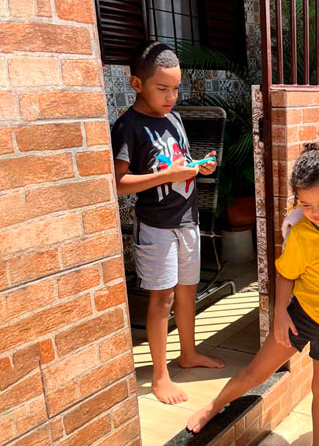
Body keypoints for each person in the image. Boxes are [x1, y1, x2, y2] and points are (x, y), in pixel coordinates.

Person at [186, 136, 319, 446]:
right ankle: (213, 406)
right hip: (300, 318)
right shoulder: (302, 236)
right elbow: (285, 274)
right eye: (305, 205)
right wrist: (280, 312)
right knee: (255, 374)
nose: (316, 212)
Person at [111, 41, 224, 405]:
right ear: (136, 84)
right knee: (163, 297)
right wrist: (165, 177)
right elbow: (118, 183)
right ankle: (159, 376)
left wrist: (198, 165)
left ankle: (187, 354)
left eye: (176, 88)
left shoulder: (174, 119)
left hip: (187, 219)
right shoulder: (128, 126)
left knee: (188, 289)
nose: (171, 96)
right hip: (156, 226)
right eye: (162, 88)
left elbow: (179, 160)